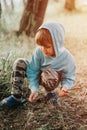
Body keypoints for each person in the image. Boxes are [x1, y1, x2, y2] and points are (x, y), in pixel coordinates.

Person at [0, 22, 76, 107]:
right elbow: (33, 70)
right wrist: (34, 89)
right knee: (20, 62)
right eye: (41, 46)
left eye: (47, 47)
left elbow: (69, 75)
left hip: (52, 78)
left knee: (49, 73)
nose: (43, 49)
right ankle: (16, 97)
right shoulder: (39, 51)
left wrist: (65, 87)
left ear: (57, 44)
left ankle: (51, 94)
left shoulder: (66, 57)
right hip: (38, 74)